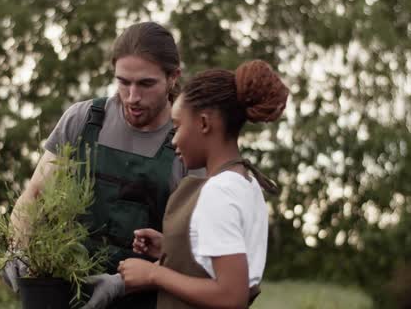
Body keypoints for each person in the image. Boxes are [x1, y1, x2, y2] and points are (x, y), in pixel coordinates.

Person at [1, 22, 187, 309]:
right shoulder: (83, 120)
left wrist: (147, 267)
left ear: (173, 77)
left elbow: (196, 251)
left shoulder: (187, 144)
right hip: (69, 290)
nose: (133, 97)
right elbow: (34, 196)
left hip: (146, 300)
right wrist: (17, 250)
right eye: (123, 82)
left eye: (146, 84)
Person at [116, 59, 289, 308]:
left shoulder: (220, 191)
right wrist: (172, 248)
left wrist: (153, 274)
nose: (174, 140)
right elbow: (223, 263)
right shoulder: (245, 182)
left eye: (177, 127)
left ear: (204, 124)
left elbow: (231, 294)